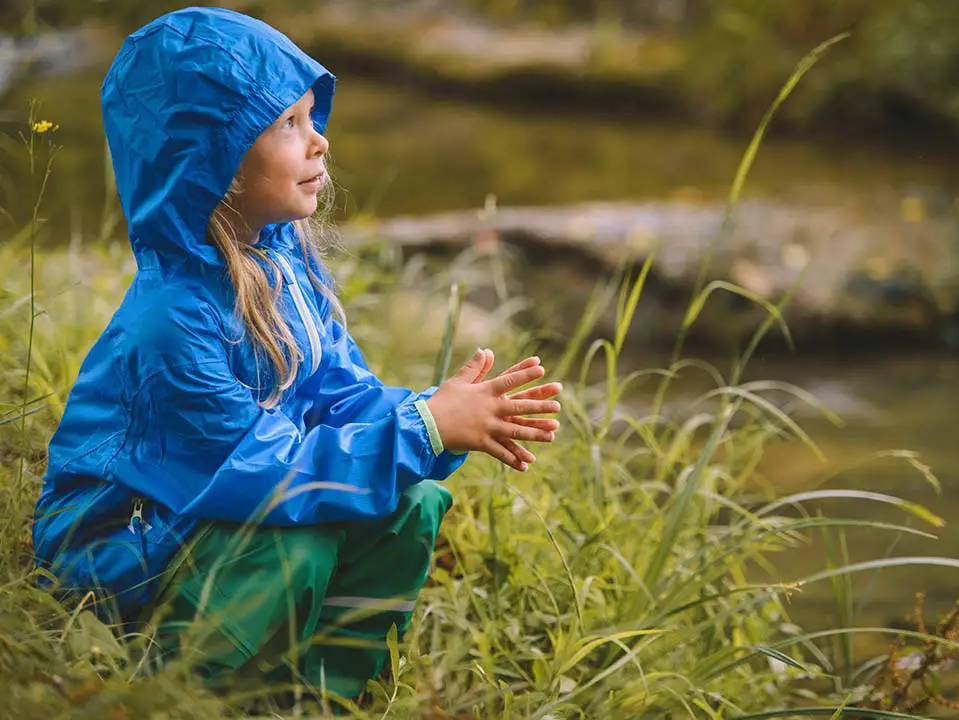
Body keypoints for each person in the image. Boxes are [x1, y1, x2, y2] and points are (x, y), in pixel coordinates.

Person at [31, 6, 562, 703]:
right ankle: (191, 690)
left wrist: (441, 417)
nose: (319, 142)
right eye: (288, 123)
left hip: (219, 510)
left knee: (413, 501)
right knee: (297, 536)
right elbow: (260, 476)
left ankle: (316, 693)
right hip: (126, 551)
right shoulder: (170, 325)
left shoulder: (282, 270)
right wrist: (423, 428)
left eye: (313, 117)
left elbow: (343, 399)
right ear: (209, 162)